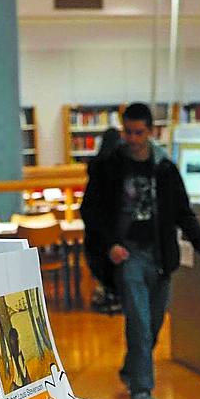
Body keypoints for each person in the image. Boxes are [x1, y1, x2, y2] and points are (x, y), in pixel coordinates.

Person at [80, 102, 200, 399]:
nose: (133, 139)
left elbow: (183, 213)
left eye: (139, 132)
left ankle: (132, 369)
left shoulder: (164, 169)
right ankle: (142, 393)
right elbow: (91, 212)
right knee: (139, 322)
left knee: (154, 324)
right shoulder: (109, 167)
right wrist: (110, 246)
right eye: (128, 132)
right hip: (127, 255)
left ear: (151, 132)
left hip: (160, 256)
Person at [86, 128, 124, 314]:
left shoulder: (95, 168)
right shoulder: (120, 169)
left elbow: (87, 207)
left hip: (96, 235)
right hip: (116, 232)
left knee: (103, 268)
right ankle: (117, 299)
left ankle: (106, 297)